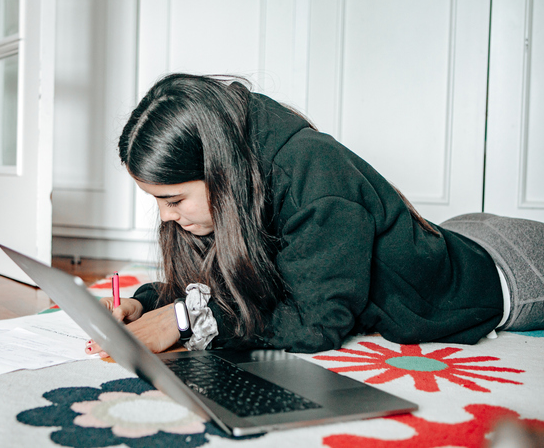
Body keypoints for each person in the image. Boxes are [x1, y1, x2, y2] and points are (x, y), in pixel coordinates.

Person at [86, 73, 544, 358]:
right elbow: (228, 284)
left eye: (173, 200)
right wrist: (148, 302)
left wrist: (186, 320)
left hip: (503, 272)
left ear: (217, 169)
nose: (167, 218)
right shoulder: (242, 175)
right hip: (454, 235)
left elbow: (316, 322)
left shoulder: (312, 171)